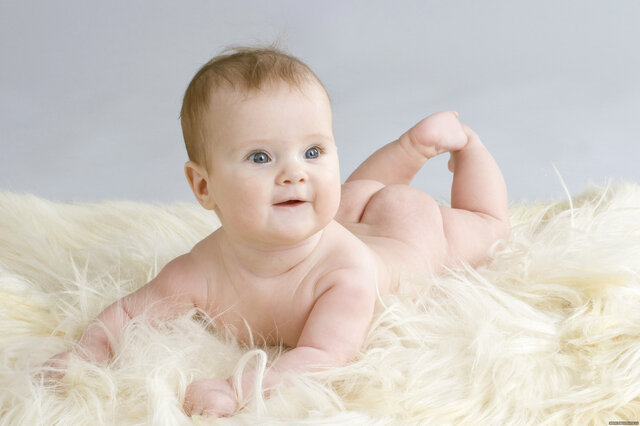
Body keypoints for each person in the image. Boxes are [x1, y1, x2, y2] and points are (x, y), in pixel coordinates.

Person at [44, 46, 510, 418]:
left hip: (404, 233)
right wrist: (84, 354)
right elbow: (130, 312)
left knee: (487, 229)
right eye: (261, 157)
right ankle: (411, 148)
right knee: (354, 194)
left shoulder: (345, 276)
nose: (294, 173)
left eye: (313, 152)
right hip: (346, 212)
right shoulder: (200, 268)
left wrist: (238, 389)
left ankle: (461, 145)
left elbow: (323, 356)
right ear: (203, 186)